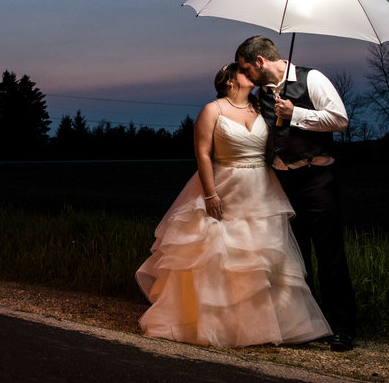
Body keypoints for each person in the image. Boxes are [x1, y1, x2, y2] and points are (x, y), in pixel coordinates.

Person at [135, 63, 331, 347]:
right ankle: (216, 324)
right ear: (228, 81)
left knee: (261, 255)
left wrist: (287, 113)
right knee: (219, 254)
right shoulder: (212, 110)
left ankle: (265, 325)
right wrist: (210, 194)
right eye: (243, 72)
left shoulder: (262, 109)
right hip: (225, 184)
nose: (250, 75)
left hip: (262, 188)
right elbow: (203, 154)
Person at [235, 35, 357, 352]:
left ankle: (342, 327)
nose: (245, 75)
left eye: (246, 68)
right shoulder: (261, 95)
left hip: (316, 179)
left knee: (329, 255)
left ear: (259, 61)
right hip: (283, 185)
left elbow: (340, 120)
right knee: (295, 258)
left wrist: (296, 114)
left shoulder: (311, 78)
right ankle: (308, 326)